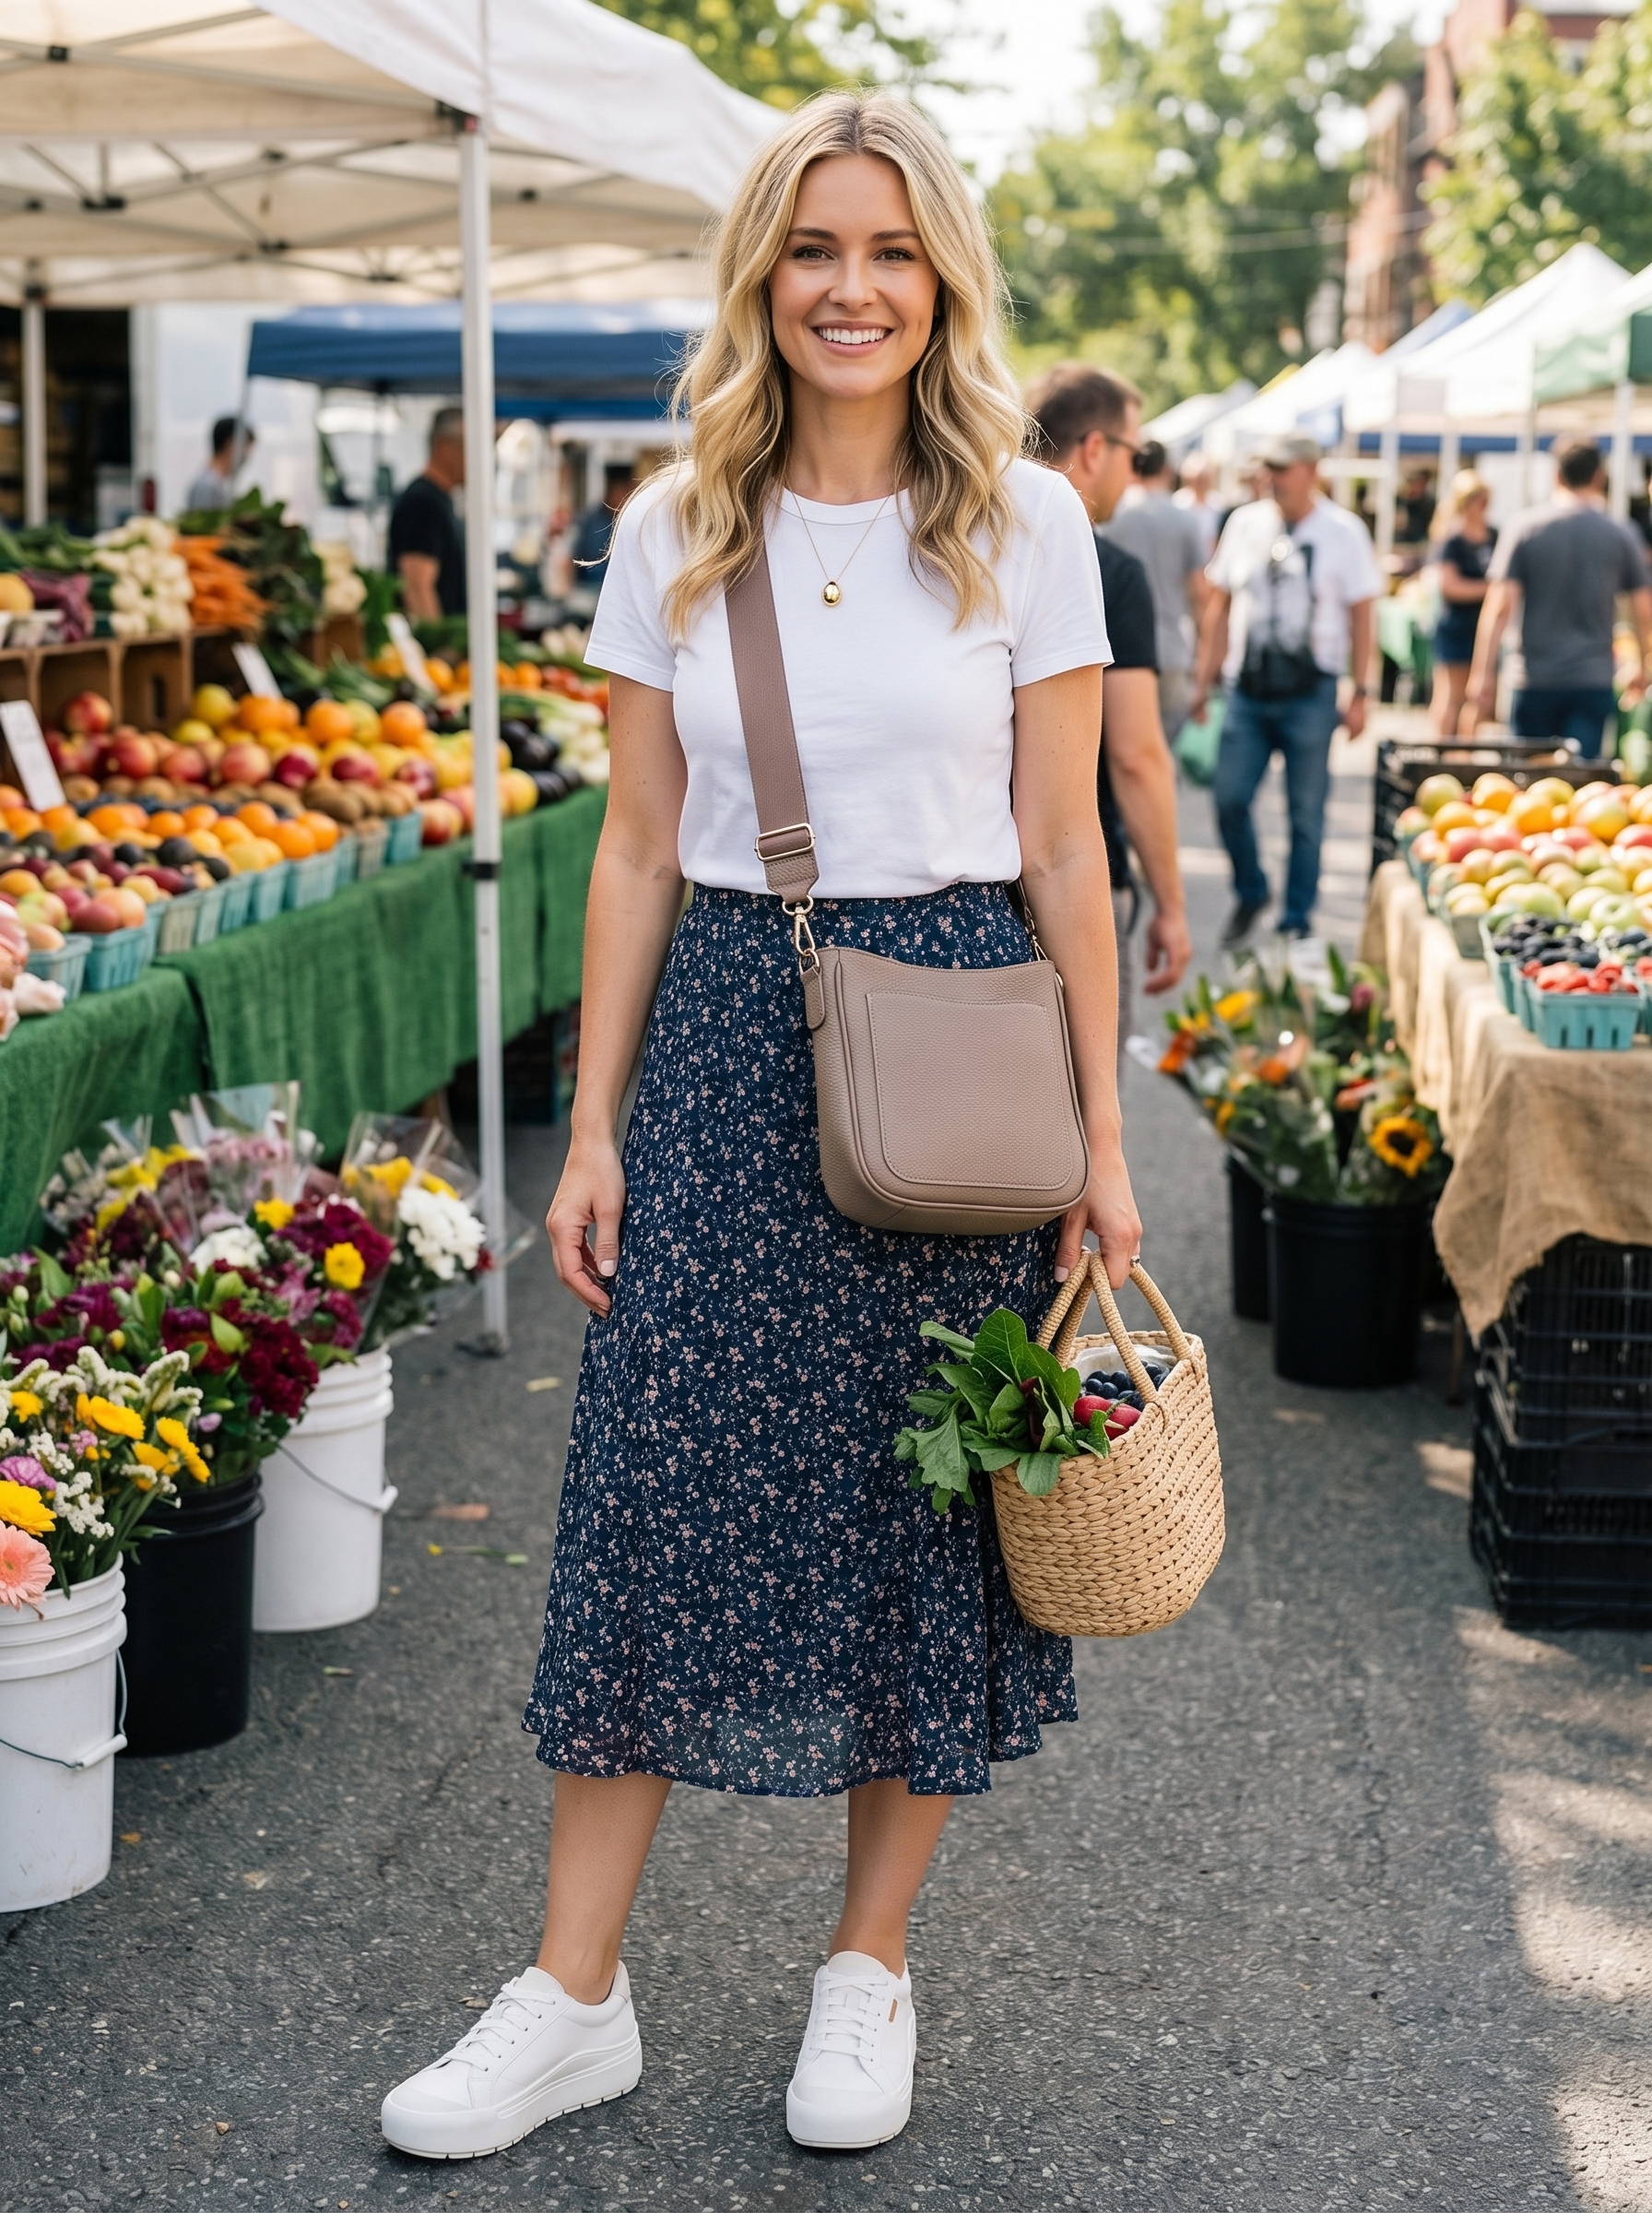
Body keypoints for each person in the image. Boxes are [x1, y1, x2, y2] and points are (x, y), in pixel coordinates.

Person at [380, 91, 1139, 2167]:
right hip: (725, 1021)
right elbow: (632, 848)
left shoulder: (1023, 522)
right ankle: (569, 1997)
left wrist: (1102, 1132)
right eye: (814, 251)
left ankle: (866, 1967)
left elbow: (1064, 852)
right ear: (761, 277)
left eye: (890, 252)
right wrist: (589, 1124)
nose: (851, 289)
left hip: (964, 1032)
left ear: (942, 281)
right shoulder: (668, 523)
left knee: (921, 1512)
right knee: (646, 1488)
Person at [1023, 364, 1192, 1029]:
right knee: (1084, 1114)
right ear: (1095, 449)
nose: (1132, 468)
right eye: (1134, 452)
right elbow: (1136, 755)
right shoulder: (1107, 570)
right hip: (1073, 883)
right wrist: (1170, 905)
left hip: (959, 897)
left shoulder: (959, 540)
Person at [1189, 432, 1380, 945]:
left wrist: (1361, 691)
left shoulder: (1345, 533)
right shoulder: (1246, 523)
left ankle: (1296, 918)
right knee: (1229, 798)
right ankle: (1252, 890)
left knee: (1306, 813)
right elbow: (1220, 606)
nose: (1272, 478)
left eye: (1283, 468)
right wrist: (1202, 680)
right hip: (1248, 691)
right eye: (1268, 468)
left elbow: (1363, 615)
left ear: (1311, 471)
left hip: (1310, 693)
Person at [1470, 437, 1652, 755]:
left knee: (1527, 787)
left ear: (1556, 475)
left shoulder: (1524, 527)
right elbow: (1643, 609)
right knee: (1581, 788)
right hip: (1592, 678)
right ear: (1599, 477)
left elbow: (1499, 607)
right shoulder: (1621, 533)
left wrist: (1483, 674)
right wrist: (1645, 664)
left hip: (1533, 677)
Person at [1103, 436, 1211, 743]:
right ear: (1167, 469)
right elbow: (1199, 591)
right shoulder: (1185, 520)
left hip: (1118, 648)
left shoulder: (1114, 516)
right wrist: (1205, 656)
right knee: (1163, 747)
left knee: (1121, 746)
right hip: (1171, 648)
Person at [1428, 471, 1497, 739]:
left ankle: (1467, 751)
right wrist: (1489, 590)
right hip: (1457, 625)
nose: (1485, 508)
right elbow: (1450, 586)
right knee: (1452, 694)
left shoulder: (1493, 535)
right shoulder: (1452, 540)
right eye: (1481, 501)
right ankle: (1443, 748)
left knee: (1479, 695)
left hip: (1483, 626)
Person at [388, 407, 466, 621]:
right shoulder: (423, 502)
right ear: (444, 447)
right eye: (471, 446)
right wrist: (438, 647)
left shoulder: (441, 499)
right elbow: (416, 587)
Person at [572, 463, 637, 590]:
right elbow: (574, 557)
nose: (626, 498)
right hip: (590, 590)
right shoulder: (590, 521)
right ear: (610, 489)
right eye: (623, 491)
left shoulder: (633, 521)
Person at [184, 416, 254, 513]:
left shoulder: (215, 484)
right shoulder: (207, 486)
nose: (247, 457)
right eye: (246, 448)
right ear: (230, 444)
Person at [1174, 451, 1220, 562]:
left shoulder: (1218, 503)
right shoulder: (1178, 502)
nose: (1202, 483)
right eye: (1199, 478)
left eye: (1206, 478)